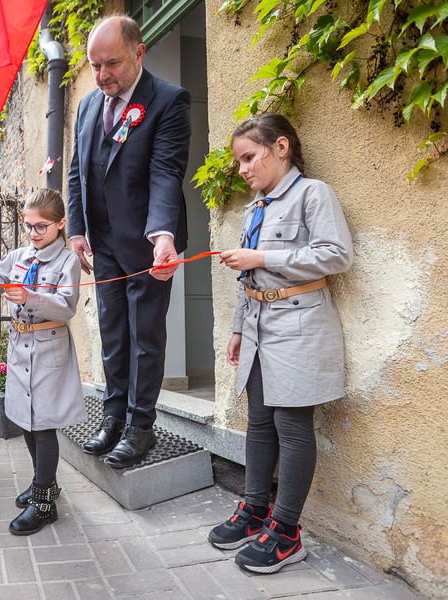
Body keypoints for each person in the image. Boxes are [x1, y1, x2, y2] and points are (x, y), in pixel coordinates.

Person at [209, 113, 353, 573]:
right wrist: (236, 328)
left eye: (250, 157)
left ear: (281, 147)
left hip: (299, 325)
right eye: (239, 162)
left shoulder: (314, 194)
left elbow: (337, 254)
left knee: (292, 428)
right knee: (258, 423)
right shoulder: (255, 208)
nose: (244, 168)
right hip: (256, 325)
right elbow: (246, 277)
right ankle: (255, 511)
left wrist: (263, 255)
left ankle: (287, 532)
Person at [67, 15, 191, 468]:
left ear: (139, 53)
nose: (102, 76)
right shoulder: (85, 106)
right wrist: (77, 230)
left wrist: (162, 236)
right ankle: (113, 417)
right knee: (114, 336)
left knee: (145, 338)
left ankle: (141, 426)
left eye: (111, 64)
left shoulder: (169, 101)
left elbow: (165, 173)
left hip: (145, 246)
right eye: (94, 66)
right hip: (102, 245)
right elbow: (77, 172)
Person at [0, 188, 85, 535]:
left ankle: (45, 502)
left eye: (41, 227)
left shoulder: (68, 261)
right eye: (28, 225)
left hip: (49, 348)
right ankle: (43, 484)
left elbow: (67, 306)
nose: (33, 234)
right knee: (27, 420)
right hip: (20, 347)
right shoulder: (20, 255)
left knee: (44, 424)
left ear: (61, 224)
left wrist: (31, 296)